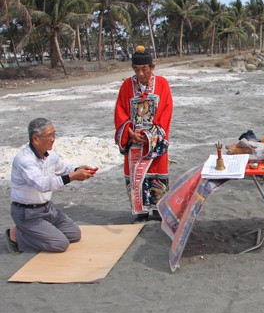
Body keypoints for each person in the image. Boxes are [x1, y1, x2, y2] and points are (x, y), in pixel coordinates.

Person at [6, 118, 97, 254]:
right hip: (27, 212)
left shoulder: (50, 155)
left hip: (46, 209)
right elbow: (42, 184)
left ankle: (39, 231)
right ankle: (15, 235)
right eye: (49, 136)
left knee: (74, 234)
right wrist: (72, 177)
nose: (53, 139)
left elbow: (64, 168)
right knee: (60, 244)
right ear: (36, 139)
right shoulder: (24, 160)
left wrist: (78, 169)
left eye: (54, 134)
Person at [114, 45, 173, 216]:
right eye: (136, 69)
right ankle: (139, 212)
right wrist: (129, 131)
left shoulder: (162, 84)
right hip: (133, 140)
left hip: (153, 140)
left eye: (144, 69)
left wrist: (150, 136)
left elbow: (166, 110)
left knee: (156, 172)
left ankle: (157, 211)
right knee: (134, 175)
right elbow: (120, 111)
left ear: (152, 67)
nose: (140, 74)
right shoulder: (127, 85)